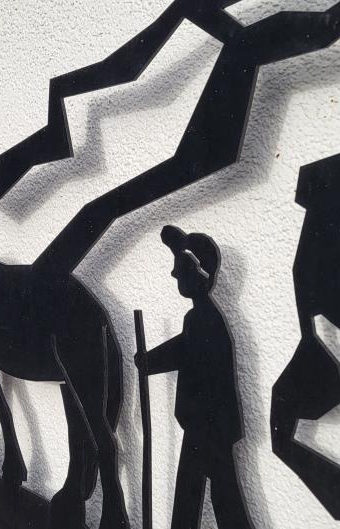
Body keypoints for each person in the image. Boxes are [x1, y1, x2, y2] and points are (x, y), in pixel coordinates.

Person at [135, 225, 250, 529]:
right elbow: (184, 349)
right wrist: (149, 361)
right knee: (213, 498)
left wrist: (150, 361)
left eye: (179, 270)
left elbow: (185, 351)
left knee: (210, 499)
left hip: (207, 427)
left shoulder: (204, 319)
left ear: (196, 275)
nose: (174, 275)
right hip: (205, 425)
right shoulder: (199, 318)